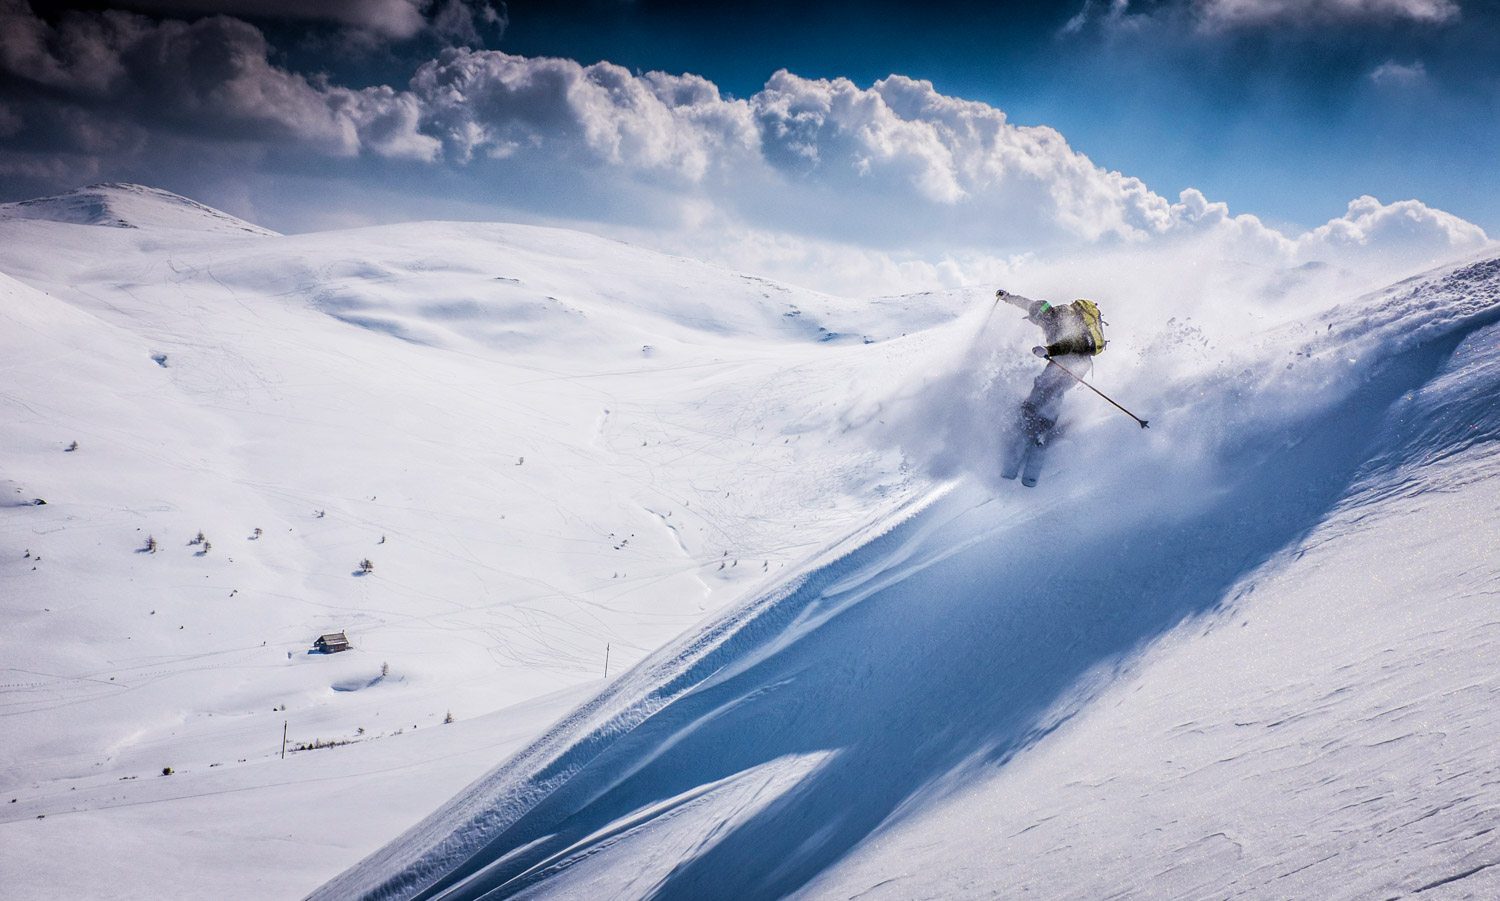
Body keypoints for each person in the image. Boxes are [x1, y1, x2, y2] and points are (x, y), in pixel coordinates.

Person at [993, 289, 1108, 484]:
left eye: (1037, 318)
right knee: (1049, 389)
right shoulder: (1047, 314)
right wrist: (1008, 297)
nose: (1039, 323)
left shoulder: (1062, 317)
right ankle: (1036, 428)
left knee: (1048, 389)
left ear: (1043, 315)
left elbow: (1073, 342)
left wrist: (1049, 349)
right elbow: (1027, 303)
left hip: (1072, 361)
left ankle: (1037, 429)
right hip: (1072, 363)